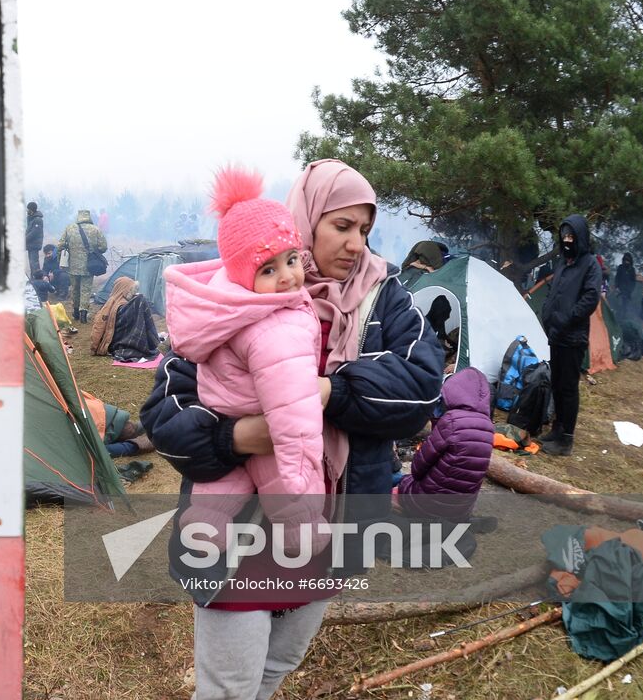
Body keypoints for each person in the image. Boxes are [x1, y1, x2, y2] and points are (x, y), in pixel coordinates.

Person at [141, 158, 443, 700]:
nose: (356, 245)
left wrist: (330, 391)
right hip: (241, 534)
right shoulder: (235, 295)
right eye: (341, 226)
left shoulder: (384, 298)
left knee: (278, 666)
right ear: (305, 221)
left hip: (334, 527)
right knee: (229, 687)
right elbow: (165, 412)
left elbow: (421, 388)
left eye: (366, 230)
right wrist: (235, 438)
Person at [163, 168, 335, 561]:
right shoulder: (276, 323)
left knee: (219, 492)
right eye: (269, 269)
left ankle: (203, 528)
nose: (290, 278)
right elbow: (294, 407)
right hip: (269, 426)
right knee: (292, 503)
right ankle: (303, 538)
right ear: (243, 273)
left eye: (292, 260)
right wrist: (299, 471)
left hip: (225, 412)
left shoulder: (225, 303)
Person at [394, 367, 493, 522]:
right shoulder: (488, 426)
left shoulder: (452, 420)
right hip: (461, 510)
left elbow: (417, 469)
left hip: (427, 504)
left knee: (400, 481)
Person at [538, 215, 601, 456]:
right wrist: (547, 314)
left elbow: (590, 298)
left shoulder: (590, 264)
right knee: (556, 383)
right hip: (556, 334)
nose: (567, 240)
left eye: (571, 236)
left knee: (568, 387)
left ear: (580, 237)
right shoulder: (564, 261)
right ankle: (557, 429)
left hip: (573, 336)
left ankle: (566, 439)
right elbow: (555, 291)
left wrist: (567, 318)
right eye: (564, 236)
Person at [91, 277, 160, 362]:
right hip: (118, 343)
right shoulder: (118, 305)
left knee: (140, 301)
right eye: (131, 290)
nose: (133, 292)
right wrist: (95, 347)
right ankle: (150, 342)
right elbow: (99, 326)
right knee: (140, 300)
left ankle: (150, 341)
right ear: (124, 290)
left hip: (118, 340)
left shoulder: (116, 301)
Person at [57, 209, 107, 324]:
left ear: (78, 216)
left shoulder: (69, 228)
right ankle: (83, 314)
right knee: (85, 290)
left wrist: (62, 259)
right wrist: (94, 251)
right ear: (89, 217)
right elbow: (103, 247)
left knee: (75, 289)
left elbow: (60, 245)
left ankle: (75, 312)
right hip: (89, 266)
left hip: (72, 266)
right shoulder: (96, 230)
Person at [614, 252, 636, 319]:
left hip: (627, 292)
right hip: (620, 290)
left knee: (625, 307)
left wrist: (630, 290)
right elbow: (617, 277)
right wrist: (617, 287)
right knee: (618, 306)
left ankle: (623, 319)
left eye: (628, 260)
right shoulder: (620, 267)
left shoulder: (632, 269)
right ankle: (617, 318)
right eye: (625, 260)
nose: (626, 261)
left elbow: (633, 281)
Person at [25, 202, 44, 278]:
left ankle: (37, 280)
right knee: (31, 263)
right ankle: (33, 279)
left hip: (34, 245)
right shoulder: (32, 219)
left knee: (34, 264)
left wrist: (24, 240)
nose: (27, 211)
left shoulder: (37, 220)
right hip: (31, 245)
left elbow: (34, 233)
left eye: (28, 209)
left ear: (31, 210)